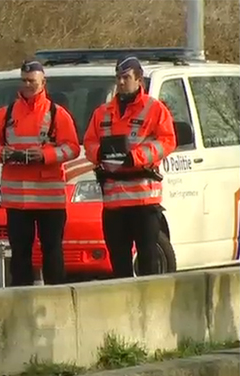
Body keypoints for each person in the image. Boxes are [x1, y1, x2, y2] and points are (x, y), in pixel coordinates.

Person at [0, 61, 80, 286]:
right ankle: (21, 300)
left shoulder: (57, 114)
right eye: (24, 80)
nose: (27, 85)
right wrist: (4, 153)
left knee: (53, 252)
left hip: (50, 200)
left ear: (43, 83)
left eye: (32, 82)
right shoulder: (5, 114)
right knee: (20, 255)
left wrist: (44, 156)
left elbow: (72, 147)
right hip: (17, 202)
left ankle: (57, 298)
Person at [83, 56, 176, 278]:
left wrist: (135, 157)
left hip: (144, 201)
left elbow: (167, 141)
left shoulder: (155, 109)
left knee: (148, 261)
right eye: (118, 78)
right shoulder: (103, 112)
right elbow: (89, 142)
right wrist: (100, 153)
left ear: (138, 79)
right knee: (119, 264)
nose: (121, 82)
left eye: (126, 77)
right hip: (114, 203)